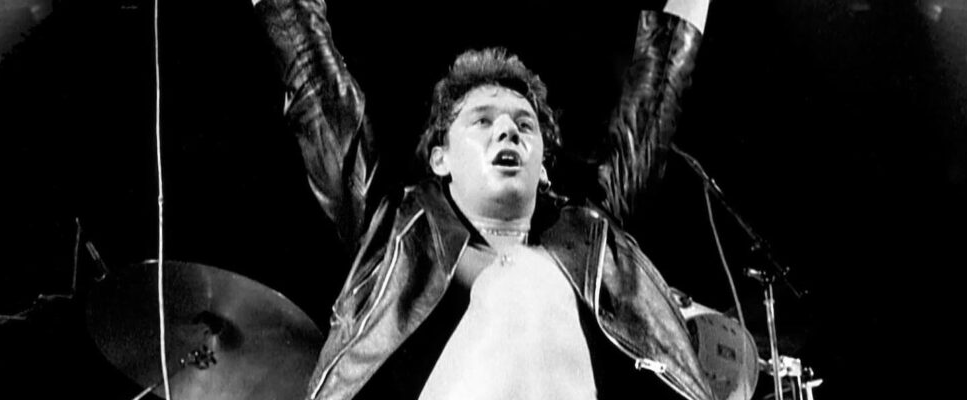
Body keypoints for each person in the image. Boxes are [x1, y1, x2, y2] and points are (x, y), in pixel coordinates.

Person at [254, 1, 726, 399]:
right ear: (440, 159)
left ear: (543, 168)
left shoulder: (593, 237)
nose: (507, 130)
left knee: (527, 276)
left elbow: (656, 96)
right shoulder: (393, 226)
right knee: (522, 280)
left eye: (524, 125)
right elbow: (316, 86)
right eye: (482, 120)